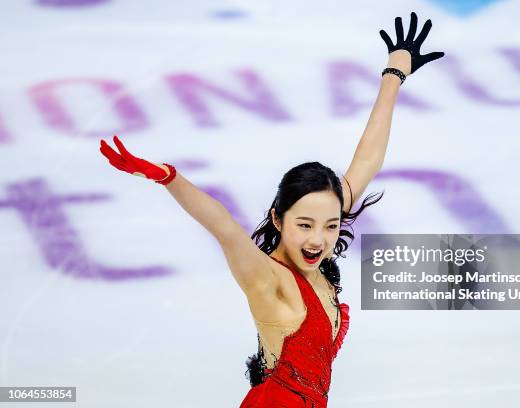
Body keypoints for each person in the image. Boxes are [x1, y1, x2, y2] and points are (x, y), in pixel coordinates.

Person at [99, 12, 443, 408]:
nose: (319, 239)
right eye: (305, 225)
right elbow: (225, 228)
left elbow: (367, 161)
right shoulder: (269, 279)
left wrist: (393, 74)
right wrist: (167, 176)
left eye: (331, 225)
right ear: (278, 219)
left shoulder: (314, 251)